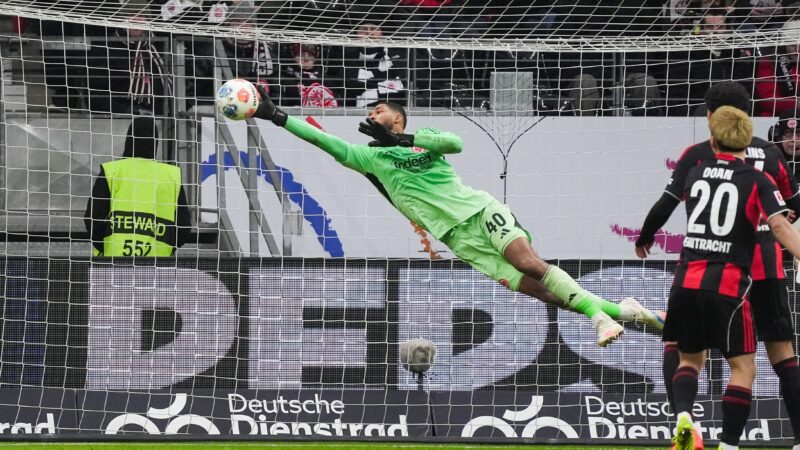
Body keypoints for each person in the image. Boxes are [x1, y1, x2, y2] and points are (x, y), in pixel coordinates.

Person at [250, 85, 665, 346]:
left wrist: (403, 138)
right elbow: (325, 142)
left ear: (397, 117)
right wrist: (275, 116)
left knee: (529, 263)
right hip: (459, 240)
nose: (371, 116)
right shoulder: (368, 157)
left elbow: (456, 143)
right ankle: (624, 312)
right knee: (541, 293)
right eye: (370, 113)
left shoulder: (423, 141)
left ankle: (599, 318)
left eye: (378, 111)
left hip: (480, 211)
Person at [636, 83, 800, 449]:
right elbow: (790, 209)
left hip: (699, 271)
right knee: (774, 356)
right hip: (759, 269)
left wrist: (646, 235)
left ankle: (685, 419)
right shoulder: (770, 156)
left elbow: (665, 204)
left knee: (685, 351)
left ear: (711, 117)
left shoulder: (696, 159)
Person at [84, 117, 191, 257]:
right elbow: (183, 227)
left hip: (114, 265)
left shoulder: (112, 171)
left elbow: (92, 218)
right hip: (158, 266)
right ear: (155, 142)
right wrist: (165, 247)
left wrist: (106, 246)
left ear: (129, 139)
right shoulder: (170, 175)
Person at [754, 20, 800, 117]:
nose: (797, 50)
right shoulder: (770, 61)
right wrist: (797, 104)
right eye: (792, 45)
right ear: (784, 44)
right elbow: (767, 100)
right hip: (778, 117)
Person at [771, 108, 800, 179]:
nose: (794, 139)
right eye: (788, 133)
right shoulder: (770, 164)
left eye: (799, 133)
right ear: (779, 138)